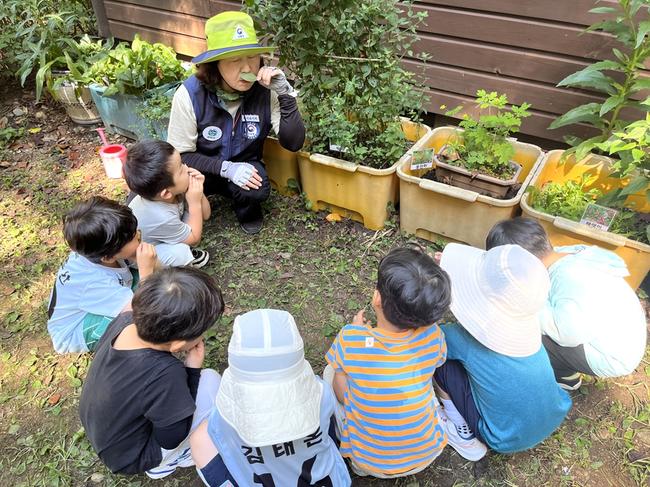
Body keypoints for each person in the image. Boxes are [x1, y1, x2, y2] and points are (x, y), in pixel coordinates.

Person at [167, 11, 305, 235]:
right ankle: (193, 202)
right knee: (169, 186)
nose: (247, 68)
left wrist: (285, 94)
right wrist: (226, 168)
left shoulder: (265, 91)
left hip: (245, 163)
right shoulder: (189, 94)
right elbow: (181, 155)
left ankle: (246, 208)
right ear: (215, 64)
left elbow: (294, 142)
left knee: (257, 189)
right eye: (234, 60)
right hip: (201, 169)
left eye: (252, 57)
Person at [79, 267, 224, 478]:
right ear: (178, 345)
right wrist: (192, 370)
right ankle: (169, 461)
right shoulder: (165, 373)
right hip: (134, 455)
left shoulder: (125, 322)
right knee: (210, 382)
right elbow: (171, 437)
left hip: (108, 435)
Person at [324, 247, 452, 478]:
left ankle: (359, 461)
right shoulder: (434, 335)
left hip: (369, 463)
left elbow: (342, 394)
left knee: (331, 372)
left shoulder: (351, 339)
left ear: (377, 298)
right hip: (426, 453)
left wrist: (358, 332)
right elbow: (437, 361)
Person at [435, 243, 572, 459]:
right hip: (552, 416)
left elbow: (430, 341)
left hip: (504, 438)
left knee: (442, 365)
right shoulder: (529, 329)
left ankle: (460, 431)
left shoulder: (462, 339)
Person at [189, 309, 351, 487]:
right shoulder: (322, 394)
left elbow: (220, 440)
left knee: (200, 440)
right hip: (331, 482)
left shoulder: (221, 419)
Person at [486, 217, 647, 390]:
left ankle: (563, 375)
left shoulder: (568, 278)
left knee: (520, 324)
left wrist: (521, 301)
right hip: (618, 338)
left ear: (521, 262)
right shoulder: (562, 255)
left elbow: (567, 334)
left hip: (611, 357)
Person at [46, 196, 158, 353]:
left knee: (152, 281)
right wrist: (146, 271)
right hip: (76, 330)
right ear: (108, 258)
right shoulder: (94, 283)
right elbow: (140, 308)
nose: (139, 235)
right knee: (133, 319)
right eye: (133, 238)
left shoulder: (97, 250)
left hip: (97, 299)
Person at [124, 139, 211, 268]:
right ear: (166, 193)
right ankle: (172, 264)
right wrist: (194, 203)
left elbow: (206, 215)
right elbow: (194, 240)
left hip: (164, 229)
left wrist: (199, 191)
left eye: (182, 163)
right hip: (141, 254)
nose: (187, 168)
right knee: (181, 252)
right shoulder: (161, 217)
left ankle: (177, 236)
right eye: (181, 169)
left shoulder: (170, 190)